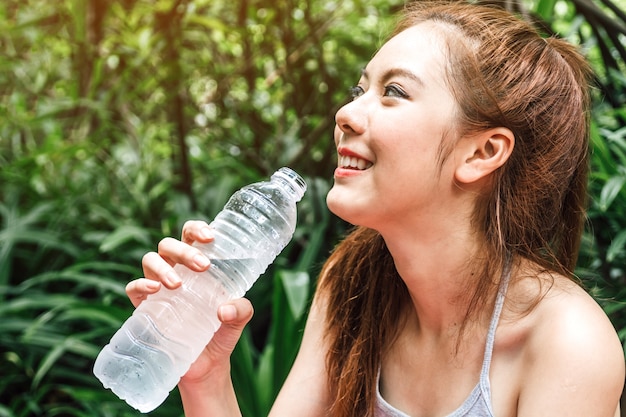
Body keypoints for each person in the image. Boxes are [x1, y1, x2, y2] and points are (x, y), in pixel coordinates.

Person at [127, 1, 625, 416]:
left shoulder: (566, 344)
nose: (345, 114)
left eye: (394, 92)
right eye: (360, 89)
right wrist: (205, 375)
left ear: (481, 153)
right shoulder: (353, 285)